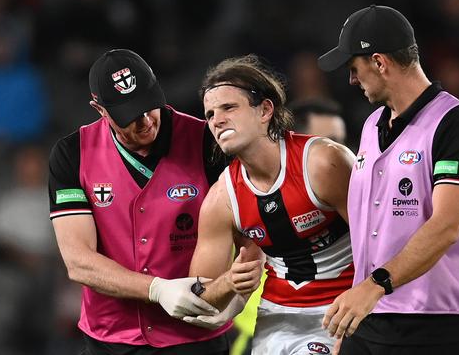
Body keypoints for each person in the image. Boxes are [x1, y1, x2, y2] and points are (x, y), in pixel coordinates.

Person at [318, 5, 459, 354]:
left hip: (438, 324)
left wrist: (374, 285)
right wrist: (353, 311)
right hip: (371, 318)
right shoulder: (371, 126)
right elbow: (370, 228)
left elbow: (446, 225)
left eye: (354, 68)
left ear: (380, 62)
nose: (352, 80)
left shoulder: (457, 124)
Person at [48, 49, 231, 354]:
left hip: (197, 334)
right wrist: (156, 290)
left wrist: (235, 296)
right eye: (130, 114)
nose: (146, 120)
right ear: (100, 109)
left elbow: (248, 228)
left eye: (148, 104)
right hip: (111, 338)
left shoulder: (206, 141)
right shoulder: (72, 154)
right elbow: (78, 261)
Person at [186, 54, 356, 354]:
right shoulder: (222, 199)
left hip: (344, 309)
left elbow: (382, 245)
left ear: (265, 110)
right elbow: (197, 298)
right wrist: (228, 282)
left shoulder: (323, 162)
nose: (217, 120)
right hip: (276, 319)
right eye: (210, 114)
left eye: (228, 107)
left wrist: (365, 317)